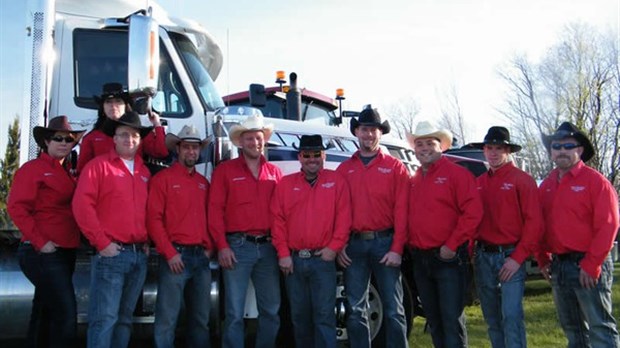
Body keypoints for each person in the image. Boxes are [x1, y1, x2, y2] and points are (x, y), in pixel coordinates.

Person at [72, 111, 153, 348]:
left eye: (135, 135)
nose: (130, 139)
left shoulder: (144, 172)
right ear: (114, 139)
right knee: (104, 319)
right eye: (124, 134)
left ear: (140, 140)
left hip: (139, 256)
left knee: (125, 320)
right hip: (111, 255)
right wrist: (102, 243)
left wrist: (146, 241)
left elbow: (146, 211)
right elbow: (81, 206)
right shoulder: (98, 167)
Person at [536, 121, 619, 347]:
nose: (562, 151)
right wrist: (543, 258)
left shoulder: (596, 182)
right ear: (551, 151)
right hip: (559, 265)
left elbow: (608, 225)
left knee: (600, 326)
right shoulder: (546, 186)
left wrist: (592, 264)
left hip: (589, 263)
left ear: (579, 150)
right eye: (556, 146)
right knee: (572, 328)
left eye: (568, 146)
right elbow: (539, 225)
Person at [7, 116, 85, 348]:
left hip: (64, 252)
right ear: (46, 142)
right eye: (57, 138)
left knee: (44, 315)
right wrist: (42, 243)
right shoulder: (33, 169)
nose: (63, 143)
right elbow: (17, 207)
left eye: (69, 139)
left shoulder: (67, 173)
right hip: (42, 253)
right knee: (66, 316)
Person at [336, 107, 410, 348]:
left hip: (386, 243)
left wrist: (397, 248)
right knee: (356, 310)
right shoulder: (344, 170)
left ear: (380, 133)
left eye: (373, 130)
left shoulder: (396, 167)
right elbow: (338, 212)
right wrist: (340, 246)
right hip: (354, 246)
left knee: (393, 308)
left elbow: (402, 210)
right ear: (356, 132)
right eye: (364, 129)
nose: (368, 135)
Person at [208, 112, 283, 348]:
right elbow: (214, 212)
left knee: (271, 310)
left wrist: (282, 249)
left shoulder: (275, 173)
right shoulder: (225, 171)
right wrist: (222, 246)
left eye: (259, 138)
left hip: (269, 248)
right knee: (233, 313)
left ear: (264, 139)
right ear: (241, 142)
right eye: (250, 138)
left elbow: (282, 216)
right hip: (237, 247)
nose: (255, 143)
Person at [406, 121, 483, 348]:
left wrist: (452, 245)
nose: (424, 148)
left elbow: (473, 213)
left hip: (448, 259)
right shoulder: (415, 179)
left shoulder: (457, 174)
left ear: (442, 146)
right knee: (434, 320)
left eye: (430, 143)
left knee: (451, 320)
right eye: (420, 144)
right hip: (421, 259)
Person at [271, 135, 352, 348]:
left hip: (323, 260)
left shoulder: (336, 181)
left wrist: (333, 248)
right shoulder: (285, 184)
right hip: (294, 262)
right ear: (300, 157)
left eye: (317, 154)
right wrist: (283, 254)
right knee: (299, 318)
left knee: (324, 317)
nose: (312, 159)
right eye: (307, 155)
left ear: (323, 155)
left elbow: (344, 219)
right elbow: (277, 221)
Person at [467, 126, 542, 348]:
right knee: (492, 318)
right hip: (483, 256)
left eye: (498, 148)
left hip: (510, 255)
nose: (493, 153)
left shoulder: (522, 180)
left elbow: (534, 223)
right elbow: (473, 220)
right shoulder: (479, 182)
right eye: (489, 148)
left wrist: (518, 258)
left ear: (507, 150)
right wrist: (471, 250)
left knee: (511, 316)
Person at [147, 125, 213, 348]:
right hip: (175, 257)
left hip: (201, 259)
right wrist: (170, 253)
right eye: (187, 147)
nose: (191, 152)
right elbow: (154, 220)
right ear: (178, 149)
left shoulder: (204, 184)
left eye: (195, 148)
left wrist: (209, 247)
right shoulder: (162, 180)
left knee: (201, 321)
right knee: (167, 319)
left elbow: (210, 218)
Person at [76, 82, 167, 174]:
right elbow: (82, 170)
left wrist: (157, 124)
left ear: (126, 106)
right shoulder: (91, 138)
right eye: (108, 102)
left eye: (118, 101)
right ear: (102, 108)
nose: (113, 106)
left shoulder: (138, 133)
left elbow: (161, 152)